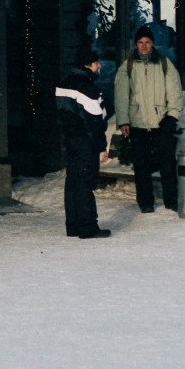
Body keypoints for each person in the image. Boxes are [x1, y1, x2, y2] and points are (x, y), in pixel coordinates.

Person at [112, 24, 182, 213]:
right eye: (141, 42)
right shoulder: (127, 66)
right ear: (136, 44)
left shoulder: (164, 63)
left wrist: (173, 116)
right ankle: (145, 202)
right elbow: (121, 96)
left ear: (152, 43)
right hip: (137, 122)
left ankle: (172, 200)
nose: (144, 46)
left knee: (167, 163)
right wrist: (124, 120)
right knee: (141, 166)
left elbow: (175, 92)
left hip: (161, 122)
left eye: (147, 42)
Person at [54, 48, 111, 239]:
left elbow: (63, 114)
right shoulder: (88, 89)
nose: (99, 65)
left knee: (73, 183)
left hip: (70, 140)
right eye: (96, 63)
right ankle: (88, 228)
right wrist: (102, 148)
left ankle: (73, 226)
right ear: (87, 65)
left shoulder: (63, 85)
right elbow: (96, 122)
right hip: (86, 142)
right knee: (85, 184)